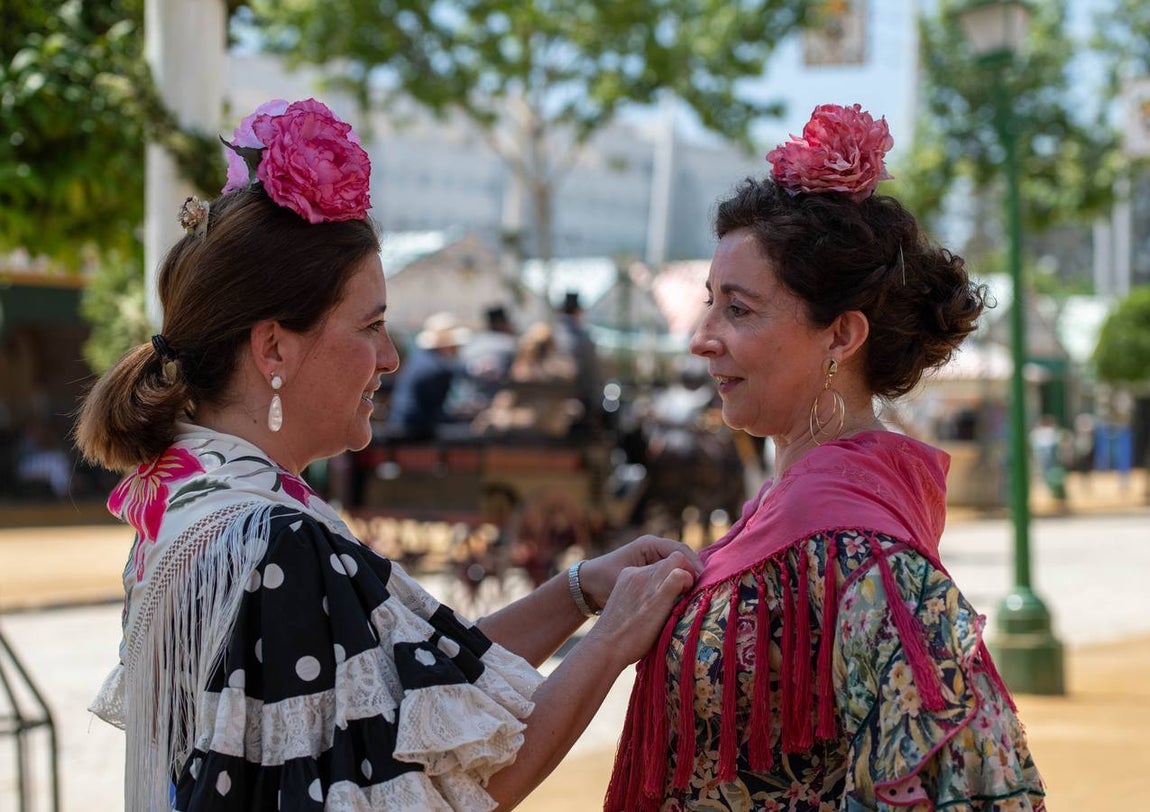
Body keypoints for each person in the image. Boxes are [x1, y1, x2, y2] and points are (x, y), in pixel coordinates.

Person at [73, 97, 700, 812]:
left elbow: (413, 693)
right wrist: (614, 639)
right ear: (274, 346)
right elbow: (461, 782)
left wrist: (580, 592)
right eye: (370, 326)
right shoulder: (277, 542)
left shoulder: (194, 497)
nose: (390, 357)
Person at [606, 104, 1045, 810]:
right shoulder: (810, 512)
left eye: (738, 310)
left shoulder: (849, 539)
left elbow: (966, 785)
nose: (702, 338)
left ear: (840, 336)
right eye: (709, 303)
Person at [383, 311, 472, 441]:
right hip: (414, 430)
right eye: (455, 345)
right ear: (447, 345)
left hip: (402, 423)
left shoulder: (420, 358)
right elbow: (437, 411)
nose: (457, 349)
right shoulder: (437, 369)